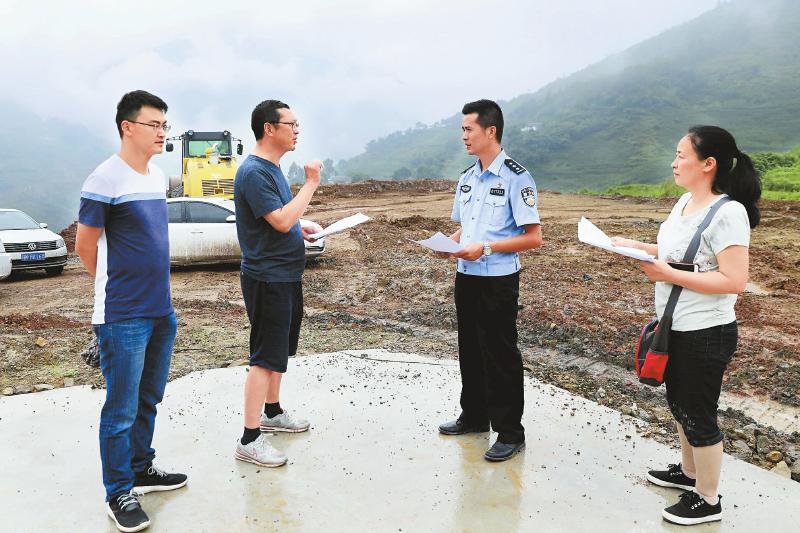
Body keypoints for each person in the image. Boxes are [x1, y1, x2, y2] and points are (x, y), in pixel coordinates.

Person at [612, 126, 760, 525]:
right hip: (675, 325)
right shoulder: (684, 203)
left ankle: (708, 500)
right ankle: (689, 473)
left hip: (706, 332)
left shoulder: (729, 212)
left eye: (681, 155)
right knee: (680, 406)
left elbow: (734, 281)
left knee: (698, 413)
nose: (674, 162)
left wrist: (667, 275)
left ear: (708, 164)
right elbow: (676, 253)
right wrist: (636, 247)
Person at [75, 90, 187, 533]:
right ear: (128, 127)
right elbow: (86, 247)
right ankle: (118, 491)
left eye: (165, 125)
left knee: (149, 398)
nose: (163, 132)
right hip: (122, 315)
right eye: (154, 125)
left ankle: (142, 467)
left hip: (161, 309)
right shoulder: (104, 179)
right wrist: (114, 291)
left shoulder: (155, 176)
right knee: (119, 410)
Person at [437, 99, 543, 462]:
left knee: (500, 354)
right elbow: (464, 228)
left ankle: (510, 432)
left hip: (498, 279)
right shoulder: (467, 178)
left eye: (468, 129)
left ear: (490, 131)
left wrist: (486, 248)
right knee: (470, 347)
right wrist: (448, 244)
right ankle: (475, 416)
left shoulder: (516, 177)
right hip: (466, 276)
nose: (463, 136)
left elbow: (533, 237)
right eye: (463, 129)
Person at [233, 99, 323, 467]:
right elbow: (282, 221)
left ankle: (272, 412)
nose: (297, 130)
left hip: (285, 273)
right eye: (292, 124)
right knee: (264, 358)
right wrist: (312, 184)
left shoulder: (272, 168)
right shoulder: (255, 172)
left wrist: (303, 226)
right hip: (267, 277)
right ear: (269, 128)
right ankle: (249, 438)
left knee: (278, 353)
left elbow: (280, 220)